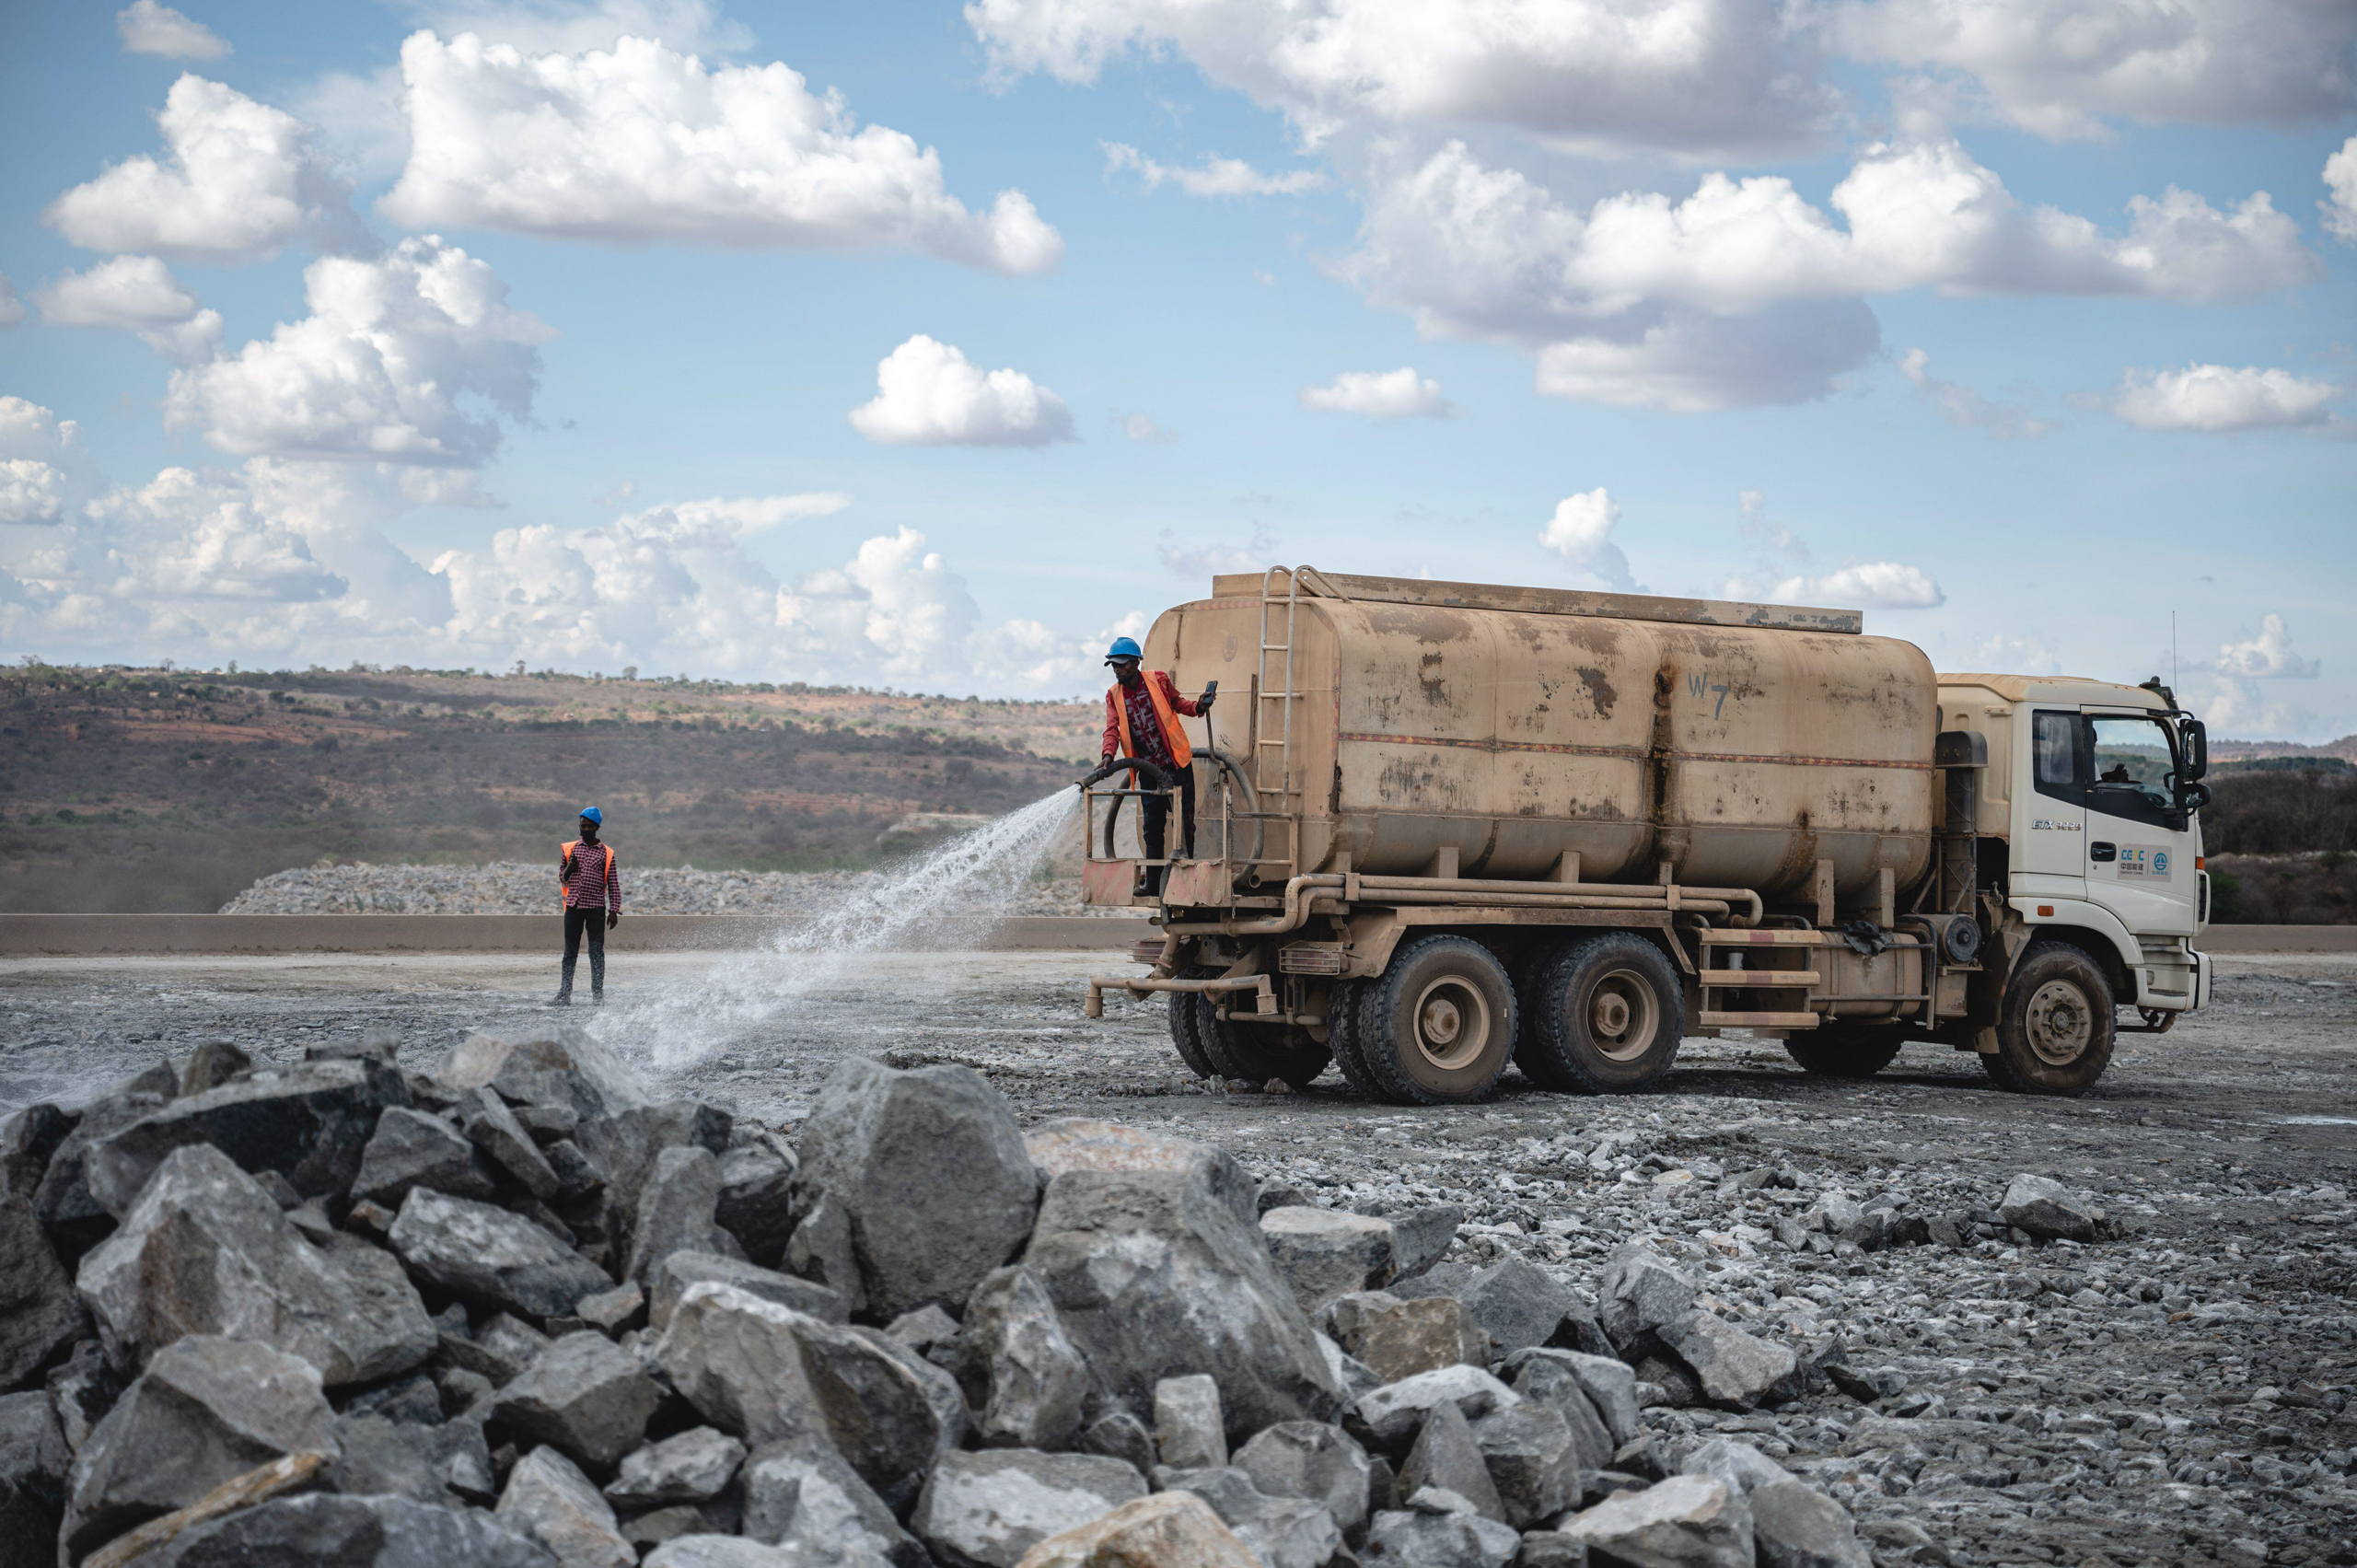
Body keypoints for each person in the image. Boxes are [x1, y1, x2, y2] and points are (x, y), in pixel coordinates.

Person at [1098, 636, 1213, 892]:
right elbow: (1112, 730)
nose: (1117, 669)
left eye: (1122, 664)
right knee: (1152, 826)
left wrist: (1198, 706)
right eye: (1113, 665)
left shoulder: (1158, 680)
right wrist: (1108, 755)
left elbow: (1178, 704)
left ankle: (1186, 880)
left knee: (1185, 823)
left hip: (1177, 763)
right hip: (1149, 770)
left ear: (1136, 663)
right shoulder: (1113, 696)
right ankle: (1153, 882)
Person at [551, 807, 621, 1005]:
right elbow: (563, 879)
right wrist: (570, 869)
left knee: (596, 952)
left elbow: (613, 883)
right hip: (573, 907)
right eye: (583, 826)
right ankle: (564, 995)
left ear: (597, 827)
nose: (585, 829)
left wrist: (613, 910)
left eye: (590, 826)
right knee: (569, 953)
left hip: (596, 909)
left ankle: (597, 996)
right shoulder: (571, 849)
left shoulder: (607, 853)